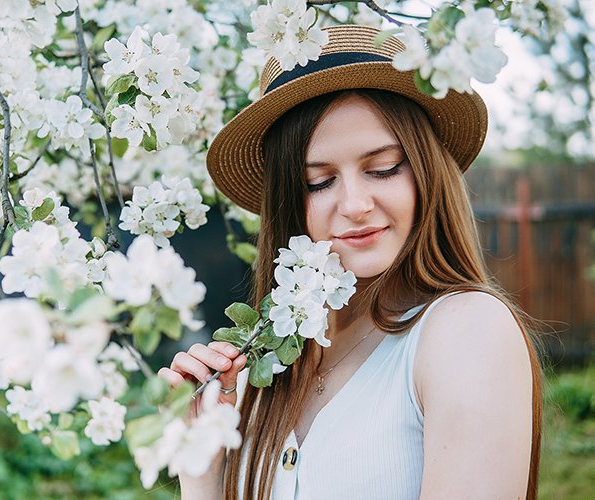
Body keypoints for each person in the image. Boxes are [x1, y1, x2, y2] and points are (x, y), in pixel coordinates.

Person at [157, 25, 542, 500]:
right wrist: (202, 471)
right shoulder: (264, 375)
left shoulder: (463, 331)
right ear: (288, 203)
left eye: (383, 168)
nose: (355, 204)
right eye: (319, 181)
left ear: (425, 173)